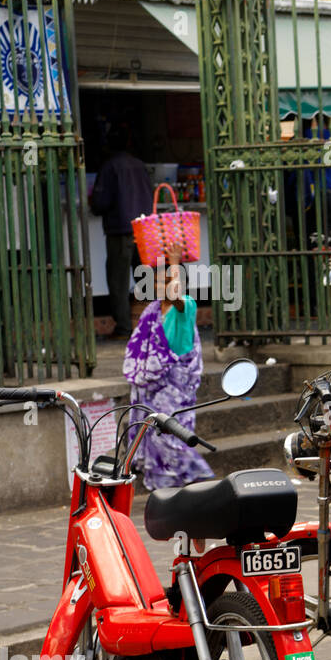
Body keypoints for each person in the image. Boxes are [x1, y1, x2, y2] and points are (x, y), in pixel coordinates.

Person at [122, 245, 214, 490]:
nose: (160, 286)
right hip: (151, 389)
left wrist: (174, 262)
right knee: (153, 435)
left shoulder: (186, 306)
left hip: (176, 387)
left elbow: (175, 295)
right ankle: (165, 487)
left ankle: (198, 477)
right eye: (157, 281)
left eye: (167, 280)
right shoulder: (152, 310)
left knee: (172, 436)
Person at [90, 125, 153, 339]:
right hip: (143, 229)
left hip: (120, 230)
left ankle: (125, 327)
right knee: (145, 276)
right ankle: (154, 321)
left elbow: (100, 202)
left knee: (119, 280)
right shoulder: (140, 165)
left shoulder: (109, 167)